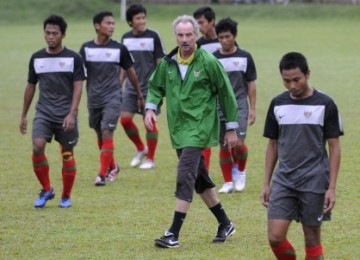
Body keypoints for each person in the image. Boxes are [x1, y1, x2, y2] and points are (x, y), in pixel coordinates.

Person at [144, 15, 239, 248]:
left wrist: (231, 127)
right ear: (175, 36)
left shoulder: (209, 61)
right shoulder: (168, 63)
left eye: (189, 35)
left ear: (196, 35)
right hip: (178, 129)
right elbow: (155, 87)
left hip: (200, 127)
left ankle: (173, 233)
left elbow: (226, 93)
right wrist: (150, 108)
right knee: (199, 179)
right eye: (180, 35)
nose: (184, 39)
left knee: (184, 174)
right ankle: (225, 223)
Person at [260, 52, 343, 259]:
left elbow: (334, 147)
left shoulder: (325, 104)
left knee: (312, 239)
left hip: (314, 181)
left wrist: (331, 187)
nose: (292, 86)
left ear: (308, 74)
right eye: (286, 81)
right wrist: (266, 183)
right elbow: (273, 144)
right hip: (284, 180)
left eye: (296, 80)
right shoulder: (277, 103)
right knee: (275, 237)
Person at [19, 15, 85, 208]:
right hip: (44, 113)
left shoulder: (74, 58)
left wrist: (72, 113)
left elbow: (78, 87)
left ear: (63, 35)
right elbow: (31, 86)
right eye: (47, 33)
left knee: (67, 153)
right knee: (37, 146)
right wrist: (24, 114)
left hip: (65, 113)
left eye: (55, 33)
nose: (50, 37)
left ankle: (66, 196)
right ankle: (47, 189)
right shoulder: (37, 58)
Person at [79, 11, 144, 186]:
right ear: (97, 26)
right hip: (93, 99)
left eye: (113, 23)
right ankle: (113, 165)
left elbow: (131, 72)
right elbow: (78, 76)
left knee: (107, 132)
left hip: (113, 97)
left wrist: (139, 95)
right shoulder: (86, 49)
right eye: (108, 23)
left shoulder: (119, 48)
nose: (112, 26)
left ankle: (102, 174)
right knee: (99, 133)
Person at [213, 18, 257, 193]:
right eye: (221, 37)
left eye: (228, 37)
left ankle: (240, 171)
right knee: (224, 145)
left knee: (238, 143)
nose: (224, 40)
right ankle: (228, 182)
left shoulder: (245, 57)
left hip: (239, 105)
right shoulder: (213, 58)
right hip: (218, 107)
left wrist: (252, 108)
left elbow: (251, 83)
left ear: (234, 36)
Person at [119, 4, 166, 170]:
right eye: (138, 18)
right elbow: (124, 65)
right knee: (124, 119)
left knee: (149, 123)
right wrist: (119, 84)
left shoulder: (153, 36)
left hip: (150, 88)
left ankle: (150, 159)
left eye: (143, 17)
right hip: (131, 89)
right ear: (130, 22)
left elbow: (160, 61)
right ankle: (141, 148)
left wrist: (160, 86)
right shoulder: (125, 39)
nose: (142, 21)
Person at [192, 6, 221, 172]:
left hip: (222, 95)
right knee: (204, 135)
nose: (198, 27)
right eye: (196, 23)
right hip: (204, 97)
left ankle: (235, 172)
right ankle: (205, 173)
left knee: (227, 139)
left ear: (212, 22)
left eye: (201, 23)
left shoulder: (225, 40)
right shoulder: (199, 45)